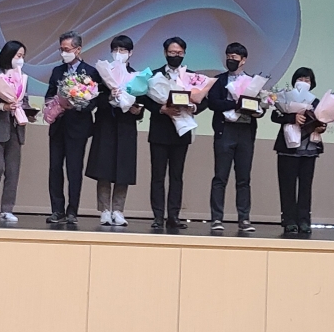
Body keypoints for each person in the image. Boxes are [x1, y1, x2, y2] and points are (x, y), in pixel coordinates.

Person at [139, 36, 205, 229]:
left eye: (179, 53)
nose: (175, 56)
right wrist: (161, 109)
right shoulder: (153, 75)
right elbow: (144, 98)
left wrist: (193, 107)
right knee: (157, 176)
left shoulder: (192, 77)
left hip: (181, 132)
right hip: (160, 131)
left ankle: (174, 216)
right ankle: (158, 217)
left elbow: (205, 100)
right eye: (172, 52)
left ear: (184, 54)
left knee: (177, 176)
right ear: (165, 53)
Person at [85, 35, 144, 226]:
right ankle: (104, 210)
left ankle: (118, 210)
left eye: (123, 50)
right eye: (116, 50)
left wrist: (136, 109)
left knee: (123, 169)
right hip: (106, 125)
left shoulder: (136, 76)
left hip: (126, 127)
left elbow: (142, 103)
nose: (119, 53)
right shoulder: (102, 73)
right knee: (104, 168)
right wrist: (110, 96)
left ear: (130, 53)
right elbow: (93, 100)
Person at [45, 31, 101, 224]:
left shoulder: (90, 72)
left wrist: (78, 104)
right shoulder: (57, 71)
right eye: (61, 49)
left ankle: (72, 211)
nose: (64, 53)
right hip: (58, 126)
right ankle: (57, 209)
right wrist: (56, 104)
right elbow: (49, 95)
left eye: (67, 49)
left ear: (78, 49)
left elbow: (94, 101)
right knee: (55, 168)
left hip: (78, 127)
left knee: (74, 169)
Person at [207, 42, 262, 233]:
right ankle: (216, 218)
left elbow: (260, 108)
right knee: (220, 177)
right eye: (228, 56)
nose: (230, 60)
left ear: (243, 60)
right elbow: (213, 103)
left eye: (234, 57)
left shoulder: (253, 82)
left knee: (243, 178)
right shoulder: (219, 80)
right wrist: (235, 104)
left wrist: (255, 108)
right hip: (225, 131)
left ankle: (244, 219)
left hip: (246, 132)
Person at [0, 40, 33, 223]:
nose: (21, 59)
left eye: (23, 56)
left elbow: (24, 100)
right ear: (9, 55)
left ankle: (7, 209)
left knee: (12, 170)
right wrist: (3, 106)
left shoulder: (23, 78)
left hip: (15, 128)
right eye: (18, 55)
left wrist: (28, 111)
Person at [271, 67, 326, 234]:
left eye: (307, 80)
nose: (303, 82)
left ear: (312, 83)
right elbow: (275, 116)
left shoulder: (316, 102)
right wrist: (292, 117)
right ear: (294, 81)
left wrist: (322, 127)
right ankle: (289, 220)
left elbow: (323, 122)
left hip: (309, 149)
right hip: (287, 148)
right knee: (287, 186)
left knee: (305, 187)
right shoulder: (285, 98)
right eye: (300, 79)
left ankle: (304, 220)